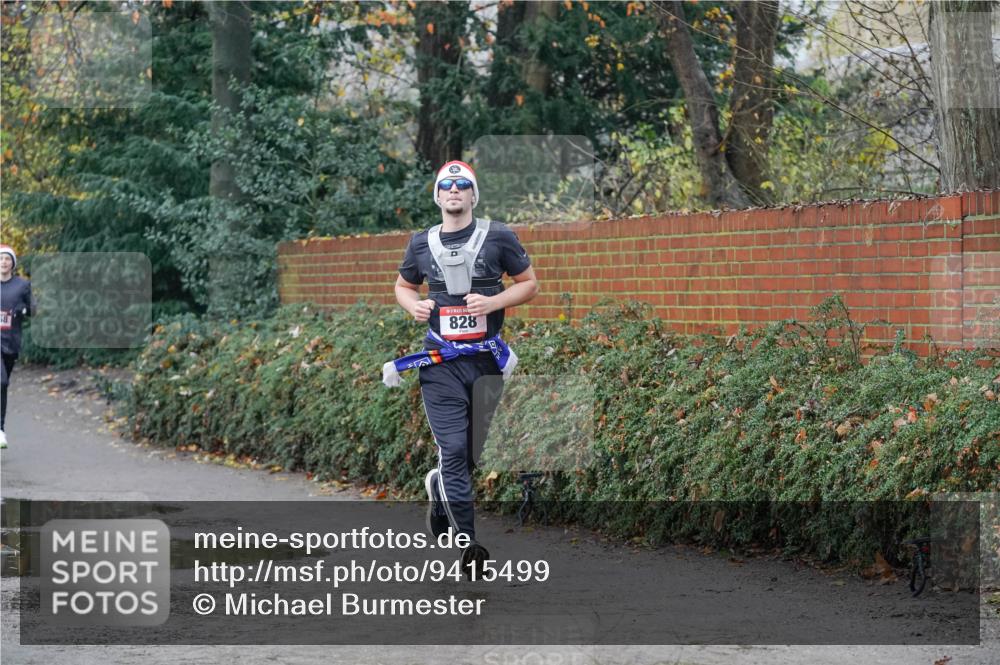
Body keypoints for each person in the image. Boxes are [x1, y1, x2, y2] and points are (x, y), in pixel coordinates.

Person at [384, 160, 539, 579]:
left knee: (471, 454)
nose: (454, 190)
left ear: (473, 195)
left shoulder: (499, 235)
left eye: (462, 184)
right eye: (446, 185)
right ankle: (468, 544)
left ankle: (440, 488)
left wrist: (494, 302)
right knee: (453, 450)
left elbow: (529, 283)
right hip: (440, 364)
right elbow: (403, 286)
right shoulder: (421, 243)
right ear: (438, 196)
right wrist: (413, 305)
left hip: (486, 362)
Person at [0, 244, 35, 449]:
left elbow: (34, 309)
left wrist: (23, 309)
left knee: (2, 385)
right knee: (1, 381)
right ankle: (0, 430)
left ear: (12, 263)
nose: (3, 262)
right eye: (1, 259)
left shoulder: (22, 285)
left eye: (7, 259)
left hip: (11, 343)